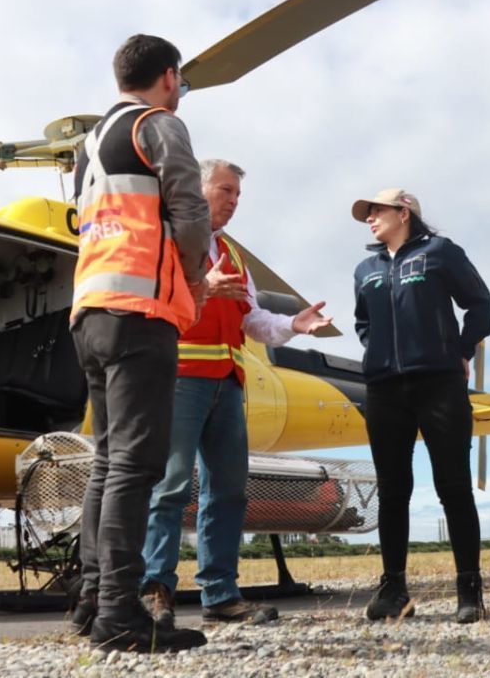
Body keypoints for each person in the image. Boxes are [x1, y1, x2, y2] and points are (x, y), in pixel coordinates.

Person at [139, 159, 333, 629]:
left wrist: (293, 324)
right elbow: (149, 297)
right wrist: (202, 286)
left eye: (237, 194)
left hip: (228, 384)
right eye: (226, 190)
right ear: (196, 189)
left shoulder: (233, 255)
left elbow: (251, 320)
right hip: (181, 378)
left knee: (228, 492)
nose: (234, 200)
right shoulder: (166, 238)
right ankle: (154, 591)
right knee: (171, 484)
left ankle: (220, 594)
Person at [67, 33, 212, 653]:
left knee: (106, 462)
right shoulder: (159, 125)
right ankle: (119, 618)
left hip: (89, 311)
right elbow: (188, 206)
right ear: (170, 77)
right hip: (139, 313)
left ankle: (91, 601)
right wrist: (199, 276)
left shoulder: (87, 144)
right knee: (135, 464)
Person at [352, 188, 490, 624]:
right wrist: (376, 353)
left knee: (453, 488)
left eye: (377, 211)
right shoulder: (365, 269)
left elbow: (481, 306)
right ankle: (394, 590)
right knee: (392, 492)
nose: (370, 219)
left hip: (440, 384)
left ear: (404, 211)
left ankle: (469, 590)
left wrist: (462, 350)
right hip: (384, 390)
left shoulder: (440, 253)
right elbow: (363, 321)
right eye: (368, 213)